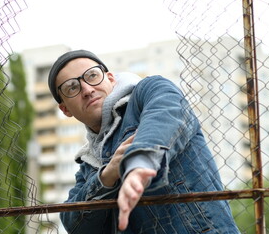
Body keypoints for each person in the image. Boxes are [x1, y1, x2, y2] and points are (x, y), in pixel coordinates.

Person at [48, 50, 239, 234]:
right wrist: (107, 176)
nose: (87, 90)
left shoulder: (149, 91)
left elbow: (165, 115)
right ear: (65, 109)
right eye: (72, 87)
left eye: (92, 76)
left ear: (111, 79)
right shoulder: (88, 165)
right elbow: (74, 225)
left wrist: (139, 165)